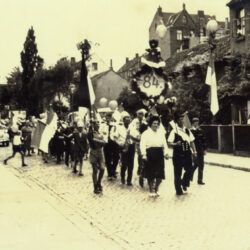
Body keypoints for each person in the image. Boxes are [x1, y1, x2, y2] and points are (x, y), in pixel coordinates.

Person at [167, 112, 197, 196]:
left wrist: (194, 151)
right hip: (178, 154)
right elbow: (169, 142)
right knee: (177, 172)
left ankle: (184, 182)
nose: (181, 121)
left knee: (190, 169)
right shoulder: (174, 131)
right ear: (177, 121)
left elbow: (191, 141)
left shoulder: (187, 130)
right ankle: (178, 190)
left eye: (182, 119)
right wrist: (175, 144)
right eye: (179, 119)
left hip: (187, 153)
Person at [140, 116, 169, 197]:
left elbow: (165, 144)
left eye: (157, 123)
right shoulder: (145, 133)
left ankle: (156, 187)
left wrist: (166, 153)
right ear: (150, 124)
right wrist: (144, 154)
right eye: (154, 123)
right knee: (151, 174)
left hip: (159, 153)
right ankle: (151, 190)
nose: (156, 125)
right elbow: (142, 145)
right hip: (150, 153)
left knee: (160, 175)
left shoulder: (161, 133)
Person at [113, 112, 135, 186]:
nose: (128, 121)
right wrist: (120, 143)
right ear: (123, 121)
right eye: (126, 120)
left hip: (131, 147)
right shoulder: (119, 128)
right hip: (123, 147)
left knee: (131, 165)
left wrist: (133, 139)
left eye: (129, 120)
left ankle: (129, 180)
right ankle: (122, 178)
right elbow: (114, 137)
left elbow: (136, 137)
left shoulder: (132, 128)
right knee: (124, 164)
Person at [130, 109, 148, 188]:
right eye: (139, 114)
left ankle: (143, 170)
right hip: (137, 140)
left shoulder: (145, 121)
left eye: (142, 114)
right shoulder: (134, 121)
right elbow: (132, 130)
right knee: (140, 155)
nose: (140, 115)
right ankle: (140, 168)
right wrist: (137, 136)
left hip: (145, 140)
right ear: (137, 115)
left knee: (145, 155)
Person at [87, 120, 107, 194]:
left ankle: (99, 183)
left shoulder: (101, 133)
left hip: (100, 152)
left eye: (99, 124)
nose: (98, 126)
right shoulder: (90, 133)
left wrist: (98, 141)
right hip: (93, 152)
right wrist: (100, 141)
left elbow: (105, 142)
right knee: (95, 170)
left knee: (102, 169)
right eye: (96, 124)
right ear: (93, 125)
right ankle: (95, 187)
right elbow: (92, 141)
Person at [190, 117, 207, 185]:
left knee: (201, 165)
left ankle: (200, 180)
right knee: (196, 164)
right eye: (195, 122)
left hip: (201, 150)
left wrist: (205, 149)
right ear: (193, 123)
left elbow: (204, 140)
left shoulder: (200, 130)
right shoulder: (191, 131)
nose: (196, 123)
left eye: (197, 122)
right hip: (194, 150)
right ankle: (190, 175)